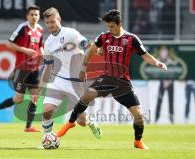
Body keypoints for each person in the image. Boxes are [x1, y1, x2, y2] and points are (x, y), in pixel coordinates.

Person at [57, 9, 167, 150]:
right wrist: (83, 69)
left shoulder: (132, 39)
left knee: (139, 116)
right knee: (87, 95)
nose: (109, 29)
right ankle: (71, 122)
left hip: (123, 83)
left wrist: (158, 63)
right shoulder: (104, 37)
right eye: (108, 27)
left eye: (112, 27)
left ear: (120, 24)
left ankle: (137, 142)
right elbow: (91, 50)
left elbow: (145, 55)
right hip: (107, 79)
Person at [41, 7, 102, 139]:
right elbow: (47, 66)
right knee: (46, 111)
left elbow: (85, 44)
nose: (50, 25)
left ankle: (91, 122)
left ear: (59, 19)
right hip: (57, 80)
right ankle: (47, 138)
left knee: (81, 121)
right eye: (48, 23)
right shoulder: (48, 44)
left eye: (53, 21)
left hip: (74, 81)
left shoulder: (70, 33)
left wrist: (97, 50)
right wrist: (40, 86)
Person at [0, 5, 44, 132]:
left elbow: (40, 46)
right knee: (18, 99)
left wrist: (43, 54)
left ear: (39, 16)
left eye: (36, 15)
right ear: (27, 16)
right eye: (32, 15)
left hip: (34, 69)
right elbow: (8, 43)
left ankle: (28, 127)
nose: (34, 17)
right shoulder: (22, 28)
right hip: (22, 70)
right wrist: (24, 50)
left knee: (35, 97)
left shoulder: (40, 30)